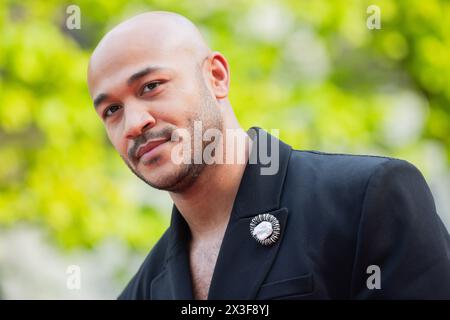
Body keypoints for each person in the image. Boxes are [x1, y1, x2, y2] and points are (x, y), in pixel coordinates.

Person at [87, 11, 450, 300]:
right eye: (112, 110)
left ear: (216, 76)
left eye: (151, 87)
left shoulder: (368, 201)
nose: (134, 123)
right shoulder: (144, 289)